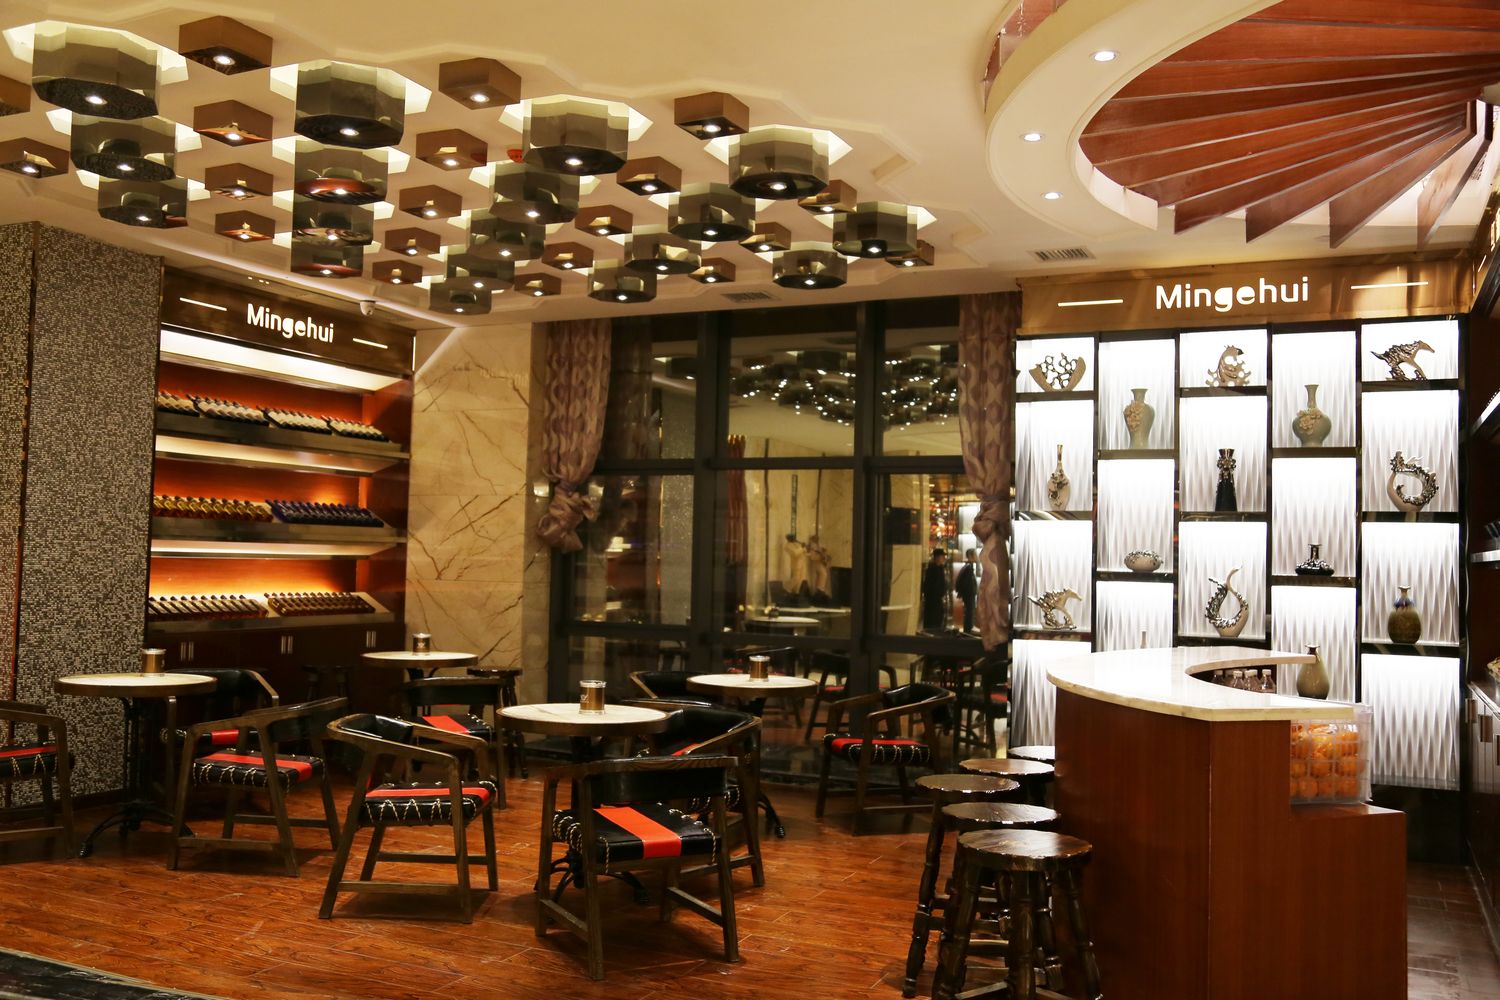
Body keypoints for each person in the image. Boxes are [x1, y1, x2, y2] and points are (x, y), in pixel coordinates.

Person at [920, 547, 949, 631]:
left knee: (938, 622)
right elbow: (932, 586)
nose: (944, 558)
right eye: (942, 556)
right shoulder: (933, 569)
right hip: (933, 602)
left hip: (937, 600)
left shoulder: (939, 568)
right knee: (933, 623)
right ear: (937, 557)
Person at [954, 547, 979, 633]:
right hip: (969, 594)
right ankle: (968, 630)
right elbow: (965, 583)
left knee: (970, 612)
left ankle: (968, 629)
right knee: (969, 612)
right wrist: (969, 592)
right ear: (970, 556)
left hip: (969, 594)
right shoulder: (968, 568)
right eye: (975, 555)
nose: (976, 557)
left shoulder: (968, 567)